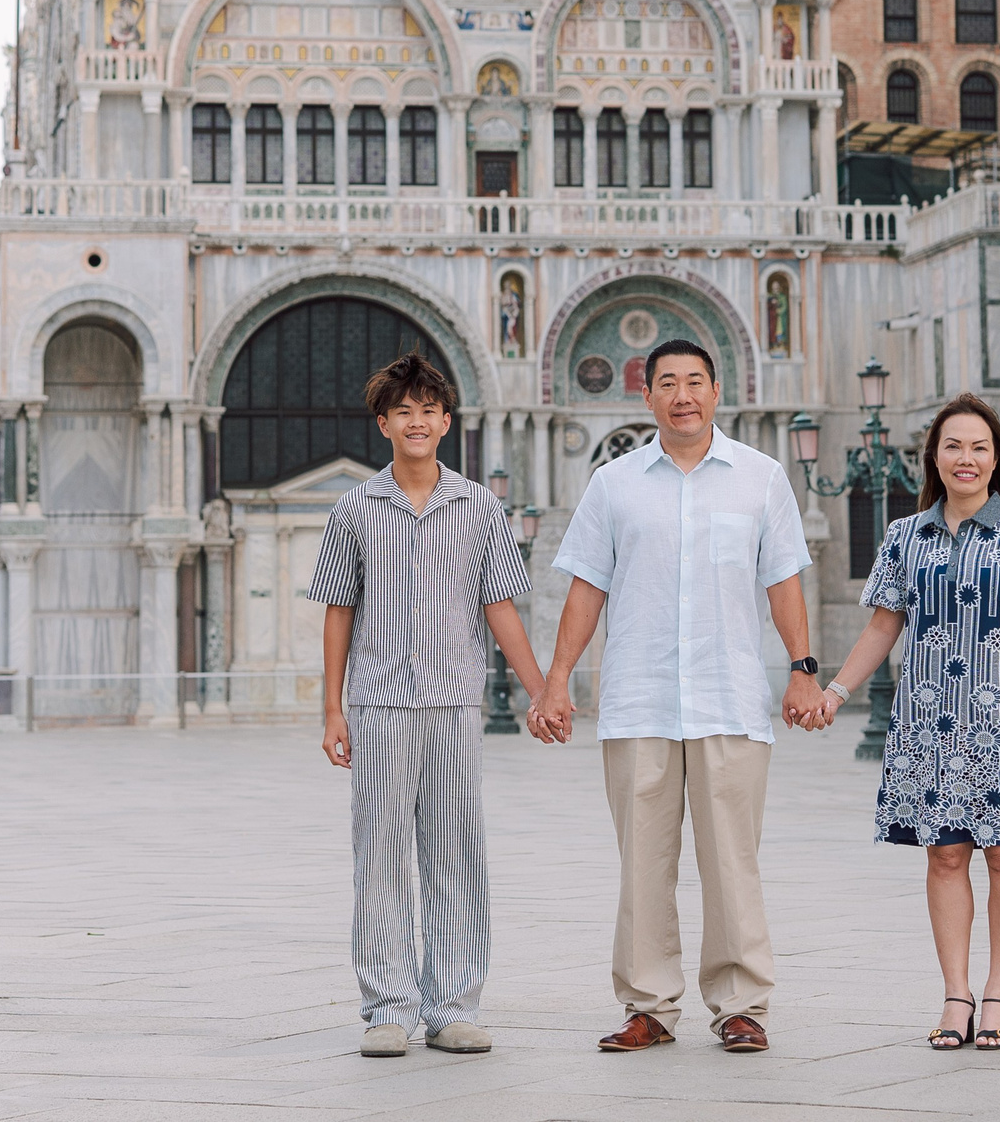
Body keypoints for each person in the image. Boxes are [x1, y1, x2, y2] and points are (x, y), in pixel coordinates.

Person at [528, 339, 821, 1054]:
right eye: (667, 383)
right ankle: (649, 1006)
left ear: (717, 391)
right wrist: (556, 679)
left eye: (695, 381)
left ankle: (741, 1004)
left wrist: (804, 666)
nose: (683, 394)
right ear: (647, 396)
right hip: (638, 696)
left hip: (730, 697)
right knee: (642, 863)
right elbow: (587, 586)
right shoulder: (614, 484)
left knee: (733, 861)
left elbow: (783, 578)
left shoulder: (760, 477)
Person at [817, 393, 1000, 1051]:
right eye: (954, 446)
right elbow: (884, 625)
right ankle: (955, 992)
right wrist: (835, 689)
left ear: (998, 459)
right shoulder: (906, 537)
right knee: (944, 855)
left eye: (979, 447)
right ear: (933, 457)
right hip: (927, 726)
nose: (967, 458)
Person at [311, 352, 548, 1059]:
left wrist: (542, 691)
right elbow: (338, 610)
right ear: (383, 422)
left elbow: (500, 606)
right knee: (379, 857)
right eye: (402, 410)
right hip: (379, 706)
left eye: (428, 410)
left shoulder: (479, 506)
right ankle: (388, 1006)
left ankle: (452, 1005)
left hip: (453, 705)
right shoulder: (355, 508)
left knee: (455, 854)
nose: (416, 420)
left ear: (447, 421)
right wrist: (333, 709)